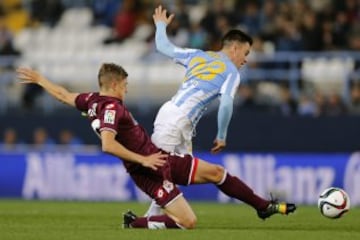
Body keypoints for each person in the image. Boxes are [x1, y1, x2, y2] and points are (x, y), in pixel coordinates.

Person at [16, 63, 296, 230]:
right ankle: (135, 223)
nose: (126, 89)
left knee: (217, 173)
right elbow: (108, 145)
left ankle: (262, 206)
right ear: (113, 84)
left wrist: (40, 80)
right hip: (147, 169)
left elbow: (64, 95)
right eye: (125, 85)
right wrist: (143, 160)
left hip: (159, 158)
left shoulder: (92, 100)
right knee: (189, 222)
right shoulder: (111, 107)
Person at [145, 5, 253, 216]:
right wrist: (221, 135)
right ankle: (147, 221)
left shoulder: (197, 55)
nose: (246, 59)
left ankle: (152, 220)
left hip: (176, 118)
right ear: (235, 48)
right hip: (177, 120)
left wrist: (160, 25)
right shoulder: (231, 72)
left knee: (176, 174)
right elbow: (226, 104)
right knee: (163, 173)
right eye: (246, 53)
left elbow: (163, 46)